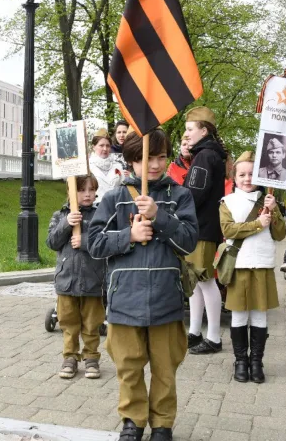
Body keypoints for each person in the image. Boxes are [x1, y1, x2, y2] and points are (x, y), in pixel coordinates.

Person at [88, 129, 198, 441]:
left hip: (166, 300)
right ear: (133, 160)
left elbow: (190, 243)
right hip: (125, 301)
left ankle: (162, 425)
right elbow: (95, 244)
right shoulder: (114, 198)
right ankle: (132, 423)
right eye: (148, 157)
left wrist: (159, 217)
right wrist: (129, 236)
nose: (156, 164)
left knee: (165, 369)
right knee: (129, 368)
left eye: (162, 157)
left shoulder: (180, 196)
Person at [219, 151, 286, 383]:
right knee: (238, 315)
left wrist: (274, 210)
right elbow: (228, 230)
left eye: (251, 174)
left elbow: (280, 234)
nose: (247, 179)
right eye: (242, 174)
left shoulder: (267, 200)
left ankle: (256, 361)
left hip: (262, 265)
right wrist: (258, 224)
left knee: (259, 315)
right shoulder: (227, 202)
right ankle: (240, 361)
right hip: (239, 265)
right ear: (234, 177)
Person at [46, 175, 106, 379]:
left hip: (93, 280)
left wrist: (85, 241)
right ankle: (70, 358)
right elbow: (52, 242)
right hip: (67, 281)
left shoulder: (100, 216)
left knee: (91, 324)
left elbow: (105, 242)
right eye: (82, 190)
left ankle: (91, 358)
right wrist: (66, 224)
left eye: (91, 189)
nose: (88, 194)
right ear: (71, 192)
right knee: (68, 323)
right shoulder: (60, 214)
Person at [182, 106, 228, 355]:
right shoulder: (207, 154)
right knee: (197, 282)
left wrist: (177, 207)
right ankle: (195, 332)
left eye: (190, 129)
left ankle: (213, 337)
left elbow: (195, 194)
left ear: (203, 130)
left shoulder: (204, 156)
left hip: (202, 228)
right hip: (202, 227)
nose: (186, 134)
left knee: (205, 281)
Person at [88, 129, 122, 202]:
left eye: (108, 146)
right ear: (94, 147)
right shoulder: (88, 167)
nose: (105, 149)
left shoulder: (118, 166)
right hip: (95, 208)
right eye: (101, 145)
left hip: (116, 206)